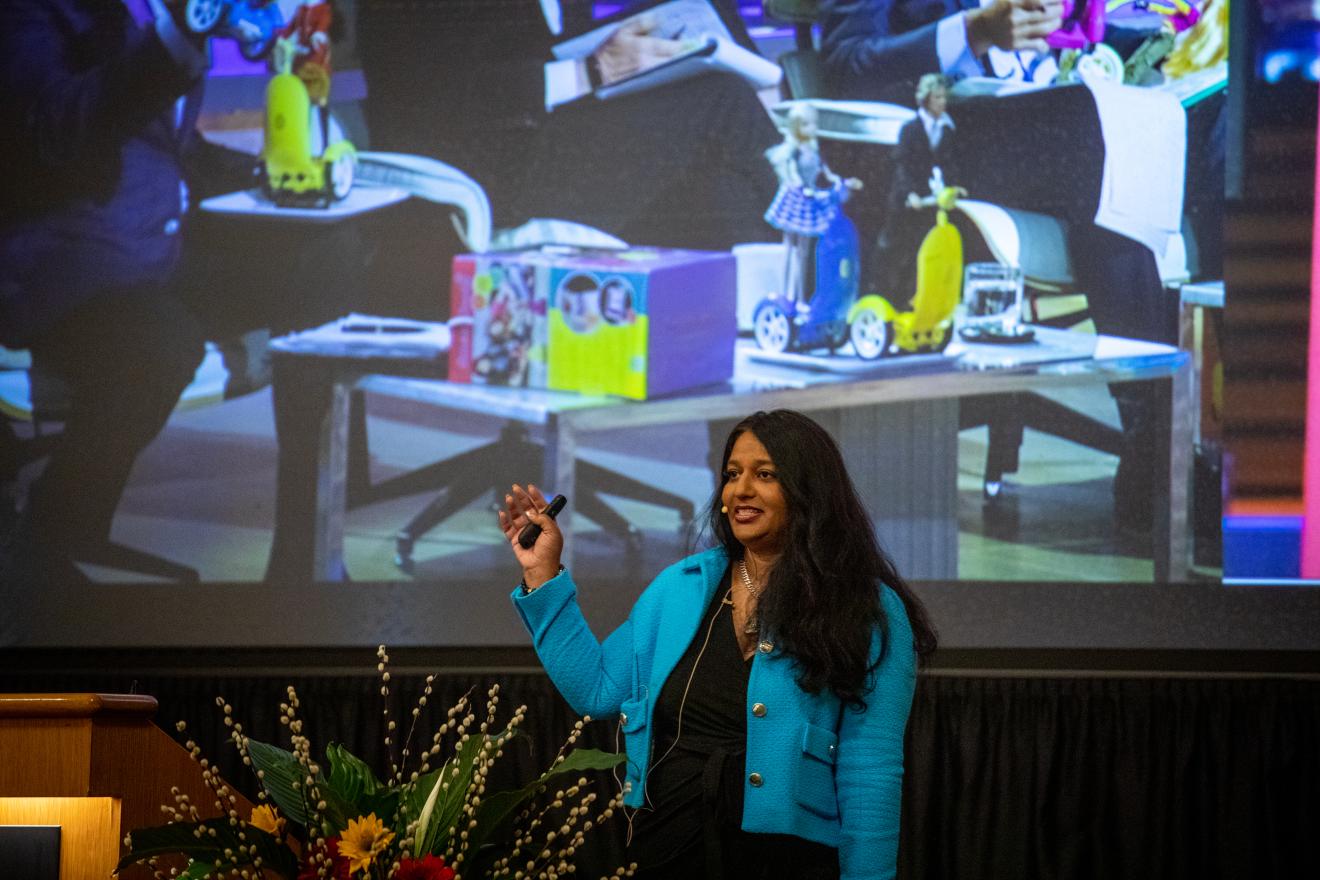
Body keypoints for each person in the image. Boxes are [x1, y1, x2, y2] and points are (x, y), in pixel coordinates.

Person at [0, 0, 364, 585]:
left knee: (321, 261)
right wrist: (173, 40)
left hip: (154, 246)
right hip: (65, 263)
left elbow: (167, 147)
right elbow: (59, 128)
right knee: (161, 343)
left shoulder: (152, 10)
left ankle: (303, 558)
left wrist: (269, 180)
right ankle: (44, 536)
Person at [499, 409, 938, 879]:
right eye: (732, 475)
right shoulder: (681, 587)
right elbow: (598, 690)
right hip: (669, 847)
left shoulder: (866, 606)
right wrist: (541, 574)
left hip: (787, 862)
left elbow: (869, 773)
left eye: (765, 475)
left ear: (810, 490)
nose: (740, 490)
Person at [356, 0, 781, 253]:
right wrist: (591, 71)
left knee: (721, 187)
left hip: (547, 148)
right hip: (475, 177)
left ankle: (769, 364)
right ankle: (825, 273)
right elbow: (432, 98)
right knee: (720, 101)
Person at [764, 104, 862, 304]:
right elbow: (791, 172)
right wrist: (798, 184)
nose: (812, 128)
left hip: (809, 198)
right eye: (807, 124)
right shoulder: (793, 150)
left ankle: (800, 298)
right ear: (796, 126)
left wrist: (842, 181)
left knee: (804, 252)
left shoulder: (814, 149)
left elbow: (826, 173)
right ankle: (785, 295)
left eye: (813, 124)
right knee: (789, 249)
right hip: (795, 198)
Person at [877, 73, 958, 300]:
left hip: (930, 200)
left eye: (944, 97)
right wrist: (910, 193)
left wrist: (952, 187)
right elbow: (902, 165)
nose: (942, 102)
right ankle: (887, 294)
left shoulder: (947, 129)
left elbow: (948, 163)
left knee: (921, 250)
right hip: (906, 200)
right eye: (937, 97)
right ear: (926, 99)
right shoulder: (911, 129)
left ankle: (914, 297)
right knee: (897, 247)